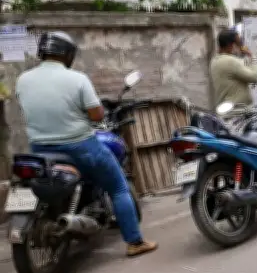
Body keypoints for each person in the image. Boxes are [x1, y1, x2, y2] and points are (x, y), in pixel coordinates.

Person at [15, 32, 157, 257]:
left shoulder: (22, 80)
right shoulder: (77, 79)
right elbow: (97, 114)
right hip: (79, 146)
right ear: (68, 54)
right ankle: (135, 242)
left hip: (40, 149)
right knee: (118, 187)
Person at [209, 28, 257, 107]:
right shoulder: (230, 62)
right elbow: (255, 77)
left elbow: (238, 70)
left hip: (227, 110)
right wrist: (251, 56)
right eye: (239, 43)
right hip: (239, 112)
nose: (241, 47)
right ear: (231, 45)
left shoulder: (215, 60)